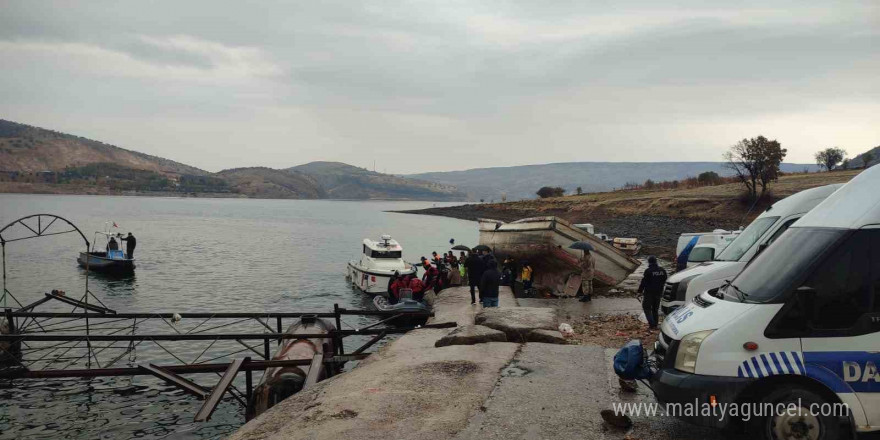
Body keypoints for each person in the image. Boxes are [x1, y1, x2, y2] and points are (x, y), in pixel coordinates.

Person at [638, 256, 668, 329]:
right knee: (655, 309)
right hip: (659, 292)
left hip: (649, 293)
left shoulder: (648, 271)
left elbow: (644, 282)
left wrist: (639, 291)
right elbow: (665, 280)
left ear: (649, 262)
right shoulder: (662, 270)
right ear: (656, 261)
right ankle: (655, 324)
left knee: (647, 308)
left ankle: (652, 325)